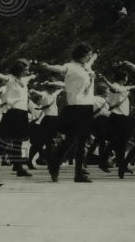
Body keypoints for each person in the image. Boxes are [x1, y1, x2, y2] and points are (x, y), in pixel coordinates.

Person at [41, 43, 98, 183]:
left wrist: (95, 54)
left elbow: (93, 59)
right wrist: (48, 66)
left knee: (77, 141)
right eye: (87, 54)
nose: (90, 56)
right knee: (73, 141)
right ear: (80, 55)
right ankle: (63, 167)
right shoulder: (71, 66)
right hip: (76, 107)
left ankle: (66, 169)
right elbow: (61, 69)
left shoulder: (86, 66)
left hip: (87, 107)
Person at [0, 60, 34, 178]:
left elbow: (31, 77)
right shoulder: (10, 79)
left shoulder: (23, 81)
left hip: (22, 113)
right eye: (26, 69)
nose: (28, 71)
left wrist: (34, 74)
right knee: (3, 142)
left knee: (18, 142)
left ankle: (19, 168)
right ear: (19, 70)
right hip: (13, 113)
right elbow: (3, 76)